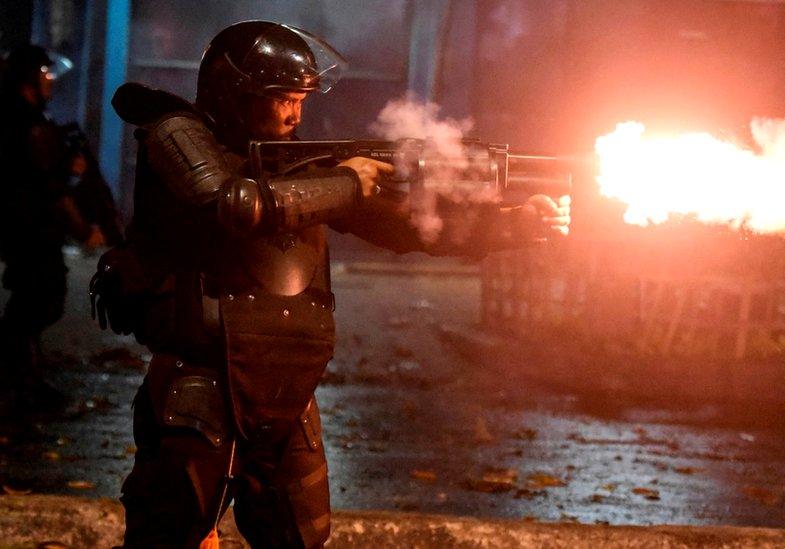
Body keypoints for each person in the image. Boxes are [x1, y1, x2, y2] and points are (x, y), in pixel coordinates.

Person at [89, 21, 569, 548]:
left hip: (288, 394)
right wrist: (345, 182)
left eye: (300, 98)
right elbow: (233, 204)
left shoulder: (299, 164)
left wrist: (512, 223)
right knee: (169, 539)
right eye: (280, 99)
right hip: (201, 387)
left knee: (300, 539)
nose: (295, 112)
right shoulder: (178, 135)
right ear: (235, 94)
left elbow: (405, 225)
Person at [0, 44, 105, 413]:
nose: (50, 82)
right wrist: (81, 228)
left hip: (24, 227)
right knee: (38, 302)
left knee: (34, 301)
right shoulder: (26, 124)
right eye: (44, 75)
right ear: (29, 79)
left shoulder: (22, 119)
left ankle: (24, 383)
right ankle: (18, 386)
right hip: (30, 228)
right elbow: (49, 187)